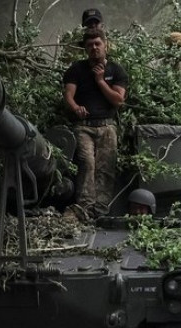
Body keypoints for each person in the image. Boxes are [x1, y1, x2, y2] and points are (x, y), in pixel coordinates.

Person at [62, 28, 128, 220]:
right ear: (85, 48)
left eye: (98, 43)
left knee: (106, 167)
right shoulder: (76, 69)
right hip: (84, 126)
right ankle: (85, 208)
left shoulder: (116, 70)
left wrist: (100, 81)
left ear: (105, 45)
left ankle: (101, 210)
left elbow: (118, 100)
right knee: (87, 163)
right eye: (90, 45)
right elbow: (68, 95)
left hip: (107, 126)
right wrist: (76, 108)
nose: (94, 48)